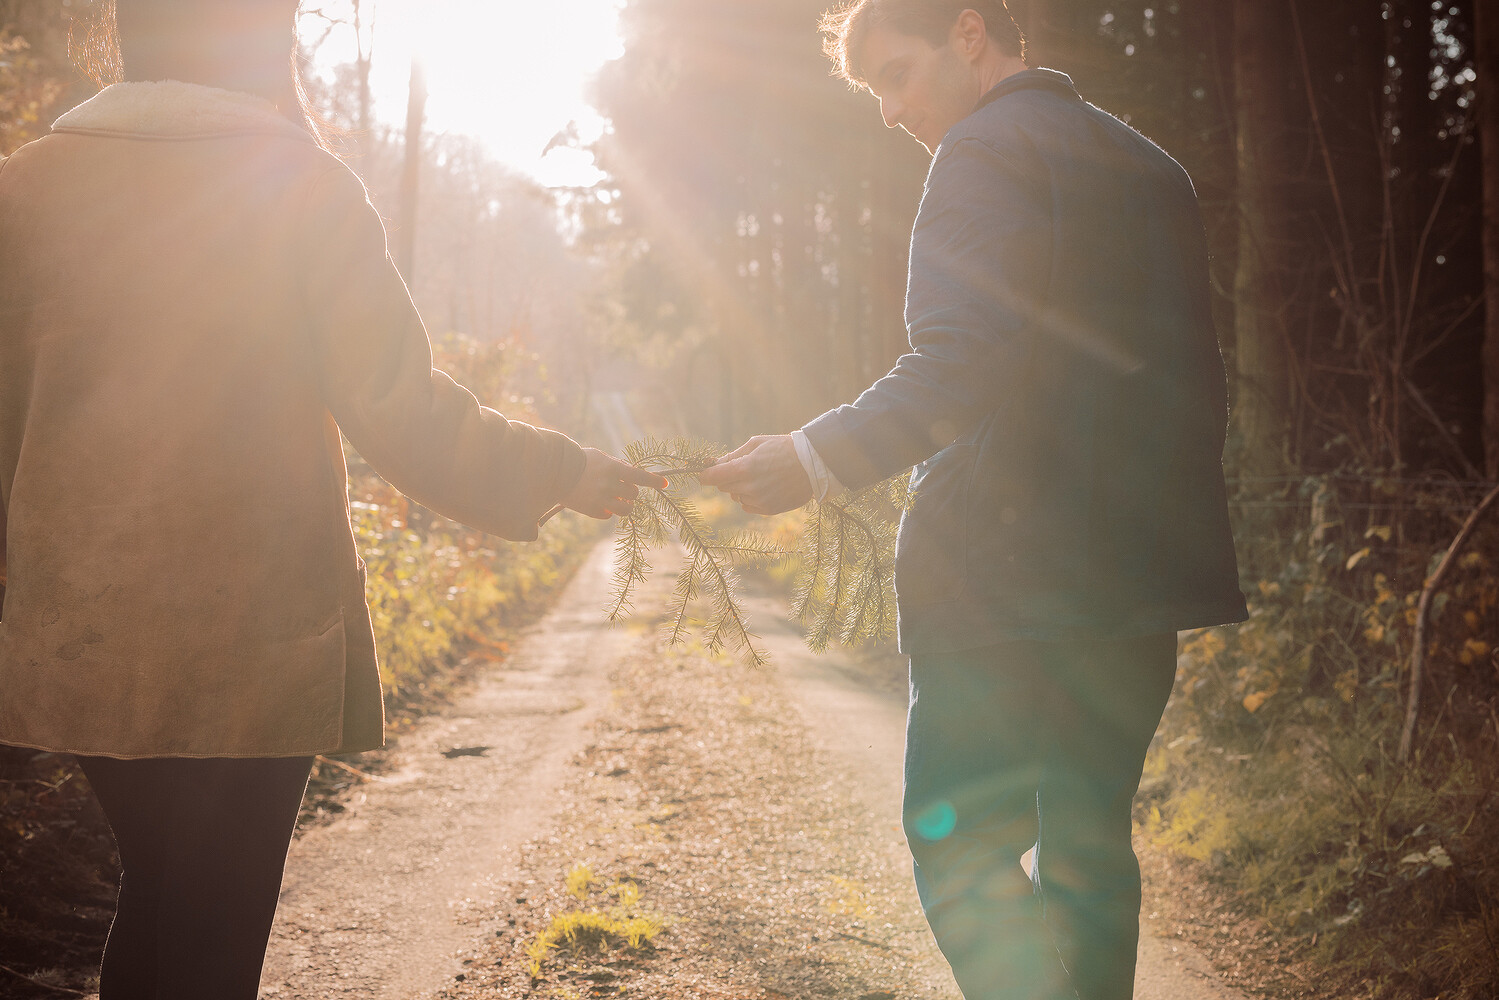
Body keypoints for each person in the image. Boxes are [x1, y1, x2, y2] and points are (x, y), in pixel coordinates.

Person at [0, 2, 663, 996]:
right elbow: (403, 409)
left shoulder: (24, 188)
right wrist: (560, 470)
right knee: (209, 930)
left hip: (82, 638)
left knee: (161, 891)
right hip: (253, 639)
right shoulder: (297, 186)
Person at [697, 2, 1248, 998]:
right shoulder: (1151, 167)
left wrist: (812, 457)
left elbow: (959, 358)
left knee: (957, 842)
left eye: (895, 75)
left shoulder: (981, 151)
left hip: (1001, 577)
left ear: (967, 32)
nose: (888, 111)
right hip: (1137, 576)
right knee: (1087, 846)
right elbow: (1185, 382)